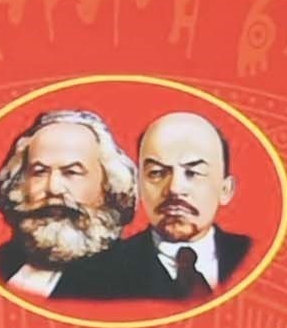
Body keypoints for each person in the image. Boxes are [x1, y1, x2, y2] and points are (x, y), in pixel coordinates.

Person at [68, 110, 256, 298]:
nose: (174, 188)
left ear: (225, 189)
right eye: (157, 173)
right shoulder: (93, 276)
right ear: (139, 184)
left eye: (193, 173)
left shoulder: (253, 257)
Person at [0, 104, 132, 297]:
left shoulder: (131, 276)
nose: (53, 188)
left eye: (71, 172)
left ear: (108, 186)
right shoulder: (0, 263)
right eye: (39, 172)